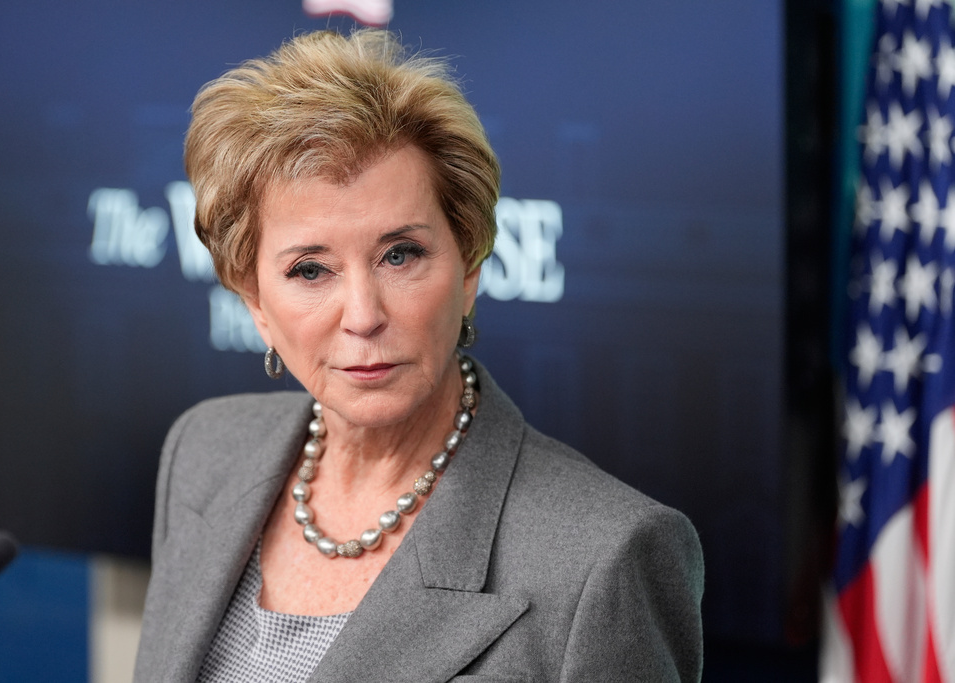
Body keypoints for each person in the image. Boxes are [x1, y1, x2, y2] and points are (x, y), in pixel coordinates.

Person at [134, 28, 703, 682]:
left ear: (469, 267)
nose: (365, 315)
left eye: (400, 254)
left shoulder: (607, 558)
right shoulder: (202, 452)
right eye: (311, 270)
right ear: (254, 300)